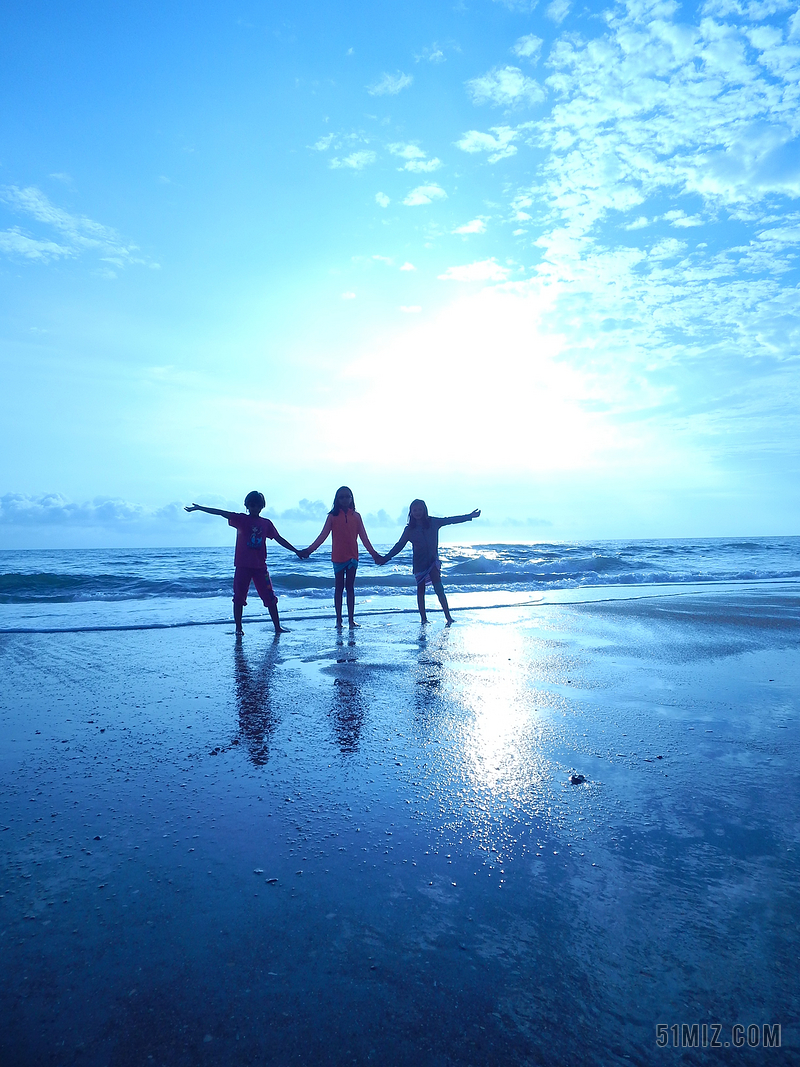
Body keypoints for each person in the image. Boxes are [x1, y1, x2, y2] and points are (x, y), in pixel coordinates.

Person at [184, 491, 301, 636]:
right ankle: (238, 628)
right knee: (239, 597)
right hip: (242, 567)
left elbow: (279, 539)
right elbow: (221, 513)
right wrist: (200, 508)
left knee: (270, 597)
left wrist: (296, 551)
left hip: (260, 568)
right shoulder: (241, 519)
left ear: (262, 506)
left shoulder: (266, 524)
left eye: (258, 505)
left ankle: (277, 627)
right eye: (252, 505)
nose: (255, 508)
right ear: (247, 505)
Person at [377, 499, 480, 624]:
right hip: (419, 564)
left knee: (439, 589)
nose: (418, 512)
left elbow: (450, 520)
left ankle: (448, 617)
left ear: (425, 510)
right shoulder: (409, 530)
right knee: (421, 591)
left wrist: (469, 516)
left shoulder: (433, 522)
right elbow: (399, 546)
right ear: (411, 512)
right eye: (415, 510)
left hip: (432, 562)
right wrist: (386, 558)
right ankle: (424, 619)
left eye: (420, 509)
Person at [299, 486, 380, 628]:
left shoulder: (356, 516)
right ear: (337, 499)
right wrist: (309, 550)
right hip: (338, 556)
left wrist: (374, 554)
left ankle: (351, 620)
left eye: (347, 496)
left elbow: (364, 538)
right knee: (338, 588)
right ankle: (338, 620)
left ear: (351, 498)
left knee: (350, 587)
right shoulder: (332, 516)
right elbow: (323, 536)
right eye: (341, 497)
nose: (344, 499)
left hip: (353, 556)